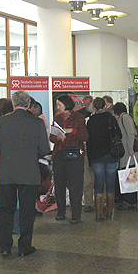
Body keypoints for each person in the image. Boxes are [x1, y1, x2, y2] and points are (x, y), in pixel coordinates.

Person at [0, 90, 50, 257]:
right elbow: (44, 149)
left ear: (13, 103)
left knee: (5, 211)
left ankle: (5, 246)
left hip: (7, 173)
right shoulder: (36, 123)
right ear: (29, 105)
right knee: (26, 211)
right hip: (29, 173)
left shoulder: (1, 122)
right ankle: (24, 247)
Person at [50, 94, 89, 224]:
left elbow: (85, 136)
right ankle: (61, 211)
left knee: (75, 185)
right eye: (57, 105)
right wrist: (58, 138)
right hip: (59, 154)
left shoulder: (79, 118)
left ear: (66, 105)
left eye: (59, 105)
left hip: (74, 154)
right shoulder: (57, 118)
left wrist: (72, 131)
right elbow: (51, 137)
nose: (58, 107)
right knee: (59, 183)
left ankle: (76, 214)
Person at [86, 97, 121, 220]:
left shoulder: (91, 121)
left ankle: (98, 213)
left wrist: (90, 157)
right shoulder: (111, 118)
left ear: (94, 107)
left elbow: (88, 140)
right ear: (105, 106)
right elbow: (119, 135)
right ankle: (109, 212)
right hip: (111, 155)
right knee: (110, 184)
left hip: (96, 156)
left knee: (99, 184)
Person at [113, 102, 138, 210]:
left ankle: (130, 202)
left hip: (129, 153)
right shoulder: (123, 118)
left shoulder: (125, 118)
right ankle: (129, 201)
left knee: (130, 177)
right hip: (127, 152)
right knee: (129, 176)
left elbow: (131, 133)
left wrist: (130, 149)